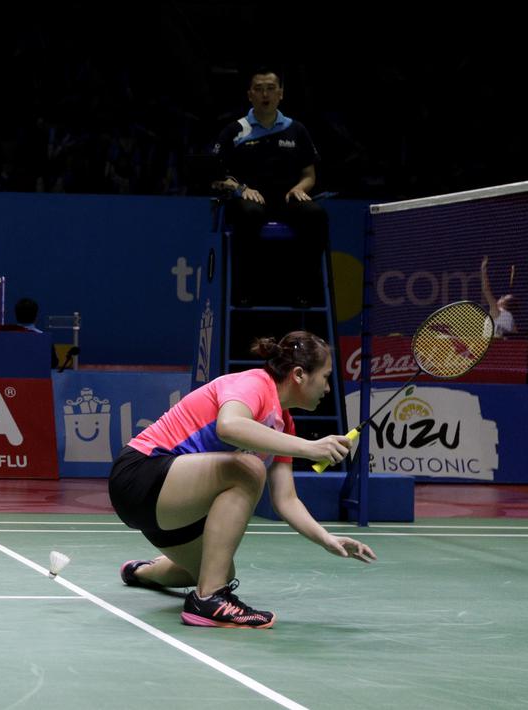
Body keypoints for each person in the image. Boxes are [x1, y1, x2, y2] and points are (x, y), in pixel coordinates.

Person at [109, 331, 375, 628]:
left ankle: (140, 572)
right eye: (325, 377)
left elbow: (286, 500)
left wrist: (327, 539)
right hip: (139, 475)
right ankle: (208, 599)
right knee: (249, 468)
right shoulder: (254, 384)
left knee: (219, 569)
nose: (327, 388)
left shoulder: (284, 425)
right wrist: (309, 448)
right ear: (299, 374)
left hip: (167, 507)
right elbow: (229, 426)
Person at [211, 69, 328, 306]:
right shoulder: (235, 130)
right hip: (248, 200)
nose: (265, 94)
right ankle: (245, 290)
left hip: (286, 200)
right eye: (259, 89)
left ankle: (304, 291)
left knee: (316, 215)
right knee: (250, 214)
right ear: (250, 95)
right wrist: (241, 189)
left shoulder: (296, 129)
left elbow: (309, 175)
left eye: (271, 88)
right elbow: (216, 177)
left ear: (281, 94)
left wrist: (299, 188)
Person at [481, 256, 517, 337]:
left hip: (489, 344)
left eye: (503, 298)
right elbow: (516, 337)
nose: (501, 297)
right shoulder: (511, 319)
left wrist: (483, 269)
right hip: (499, 344)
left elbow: (486, 289)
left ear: (505, 304)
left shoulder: (496, 310)